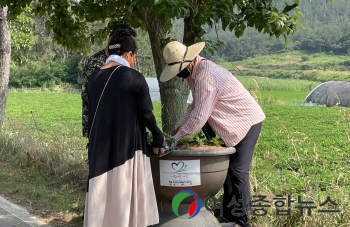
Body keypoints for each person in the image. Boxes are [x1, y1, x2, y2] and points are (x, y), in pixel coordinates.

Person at [159, 41, 266, 227]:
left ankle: (242, 221)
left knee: (238, 171)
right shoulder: (196, 72)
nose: (179, 73)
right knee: (226, 171)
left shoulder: (205, 76)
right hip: (229, 124)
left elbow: (200, 115)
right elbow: (194, 107)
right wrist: (178, 126)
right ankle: (229, 216)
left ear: (189, 60)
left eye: (180, 69)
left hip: (245, 122)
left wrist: (175, 140)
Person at [84, 30, 164, 227]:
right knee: (125, 194)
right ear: (129, 55)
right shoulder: (133, 77)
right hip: (128, 147)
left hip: (99, 148)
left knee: (102, 197)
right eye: (133, 57)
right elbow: (146, 114)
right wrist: (158, 137)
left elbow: (92, 114)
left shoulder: (93, 79)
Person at [81, 24, 137, 138]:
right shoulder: (96, 61)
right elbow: (89, 93)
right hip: (99, 123)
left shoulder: (128, 58)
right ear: (111, 40)